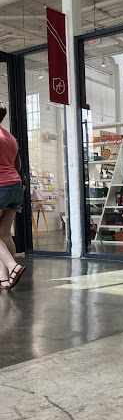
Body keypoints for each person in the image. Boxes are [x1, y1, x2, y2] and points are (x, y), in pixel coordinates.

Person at [0, 102, 26, 290]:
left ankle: (13, 266)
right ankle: (5, 278)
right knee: (3, 233)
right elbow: (17, 166)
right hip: (15, 186)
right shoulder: (11, 138)